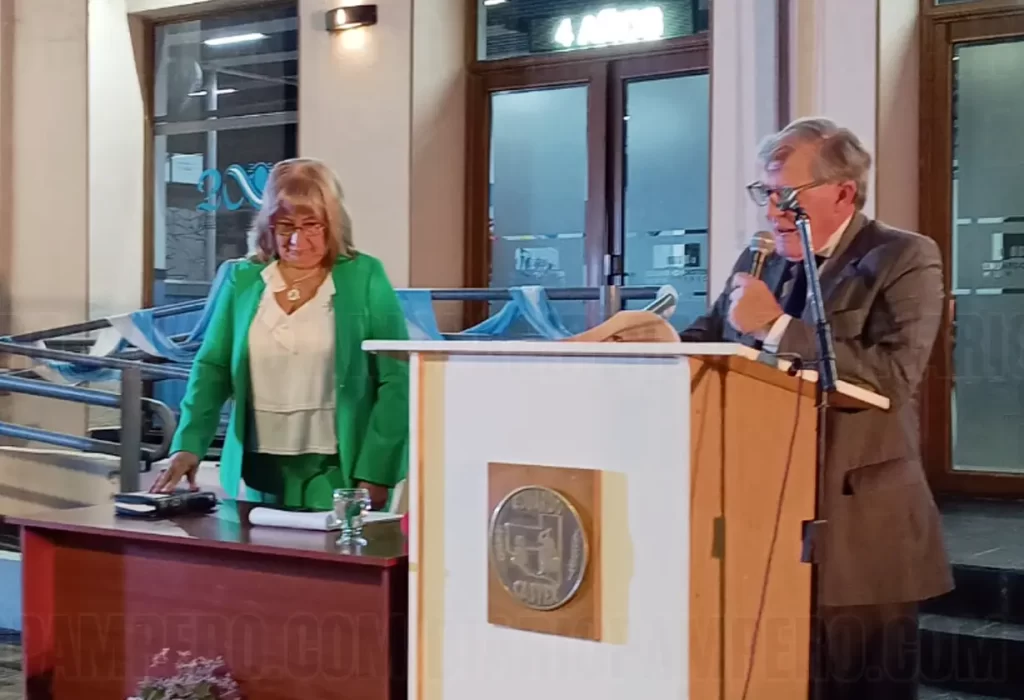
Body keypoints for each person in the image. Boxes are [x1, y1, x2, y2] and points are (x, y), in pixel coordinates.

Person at [681, 117, 953, 699]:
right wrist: (646, 344)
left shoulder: (904, 256)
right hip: (764, 513)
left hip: (860, 525)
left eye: (786, 195)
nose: (771, 210)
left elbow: (893, 376)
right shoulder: (760, 259)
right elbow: (708, 337)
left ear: (843, 192)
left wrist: (777, 327)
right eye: (764, 193)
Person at [151, 158, 409, 511]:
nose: (297, 239)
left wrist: (378, 470)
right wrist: (188, 444)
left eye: (311, 224)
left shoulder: (366, 276)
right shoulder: (242, 279)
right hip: (261, 469)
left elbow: (397, 380)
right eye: (285, 225)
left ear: (332, 222)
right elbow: (213, 368)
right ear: (267, 225)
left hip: (342, 470)